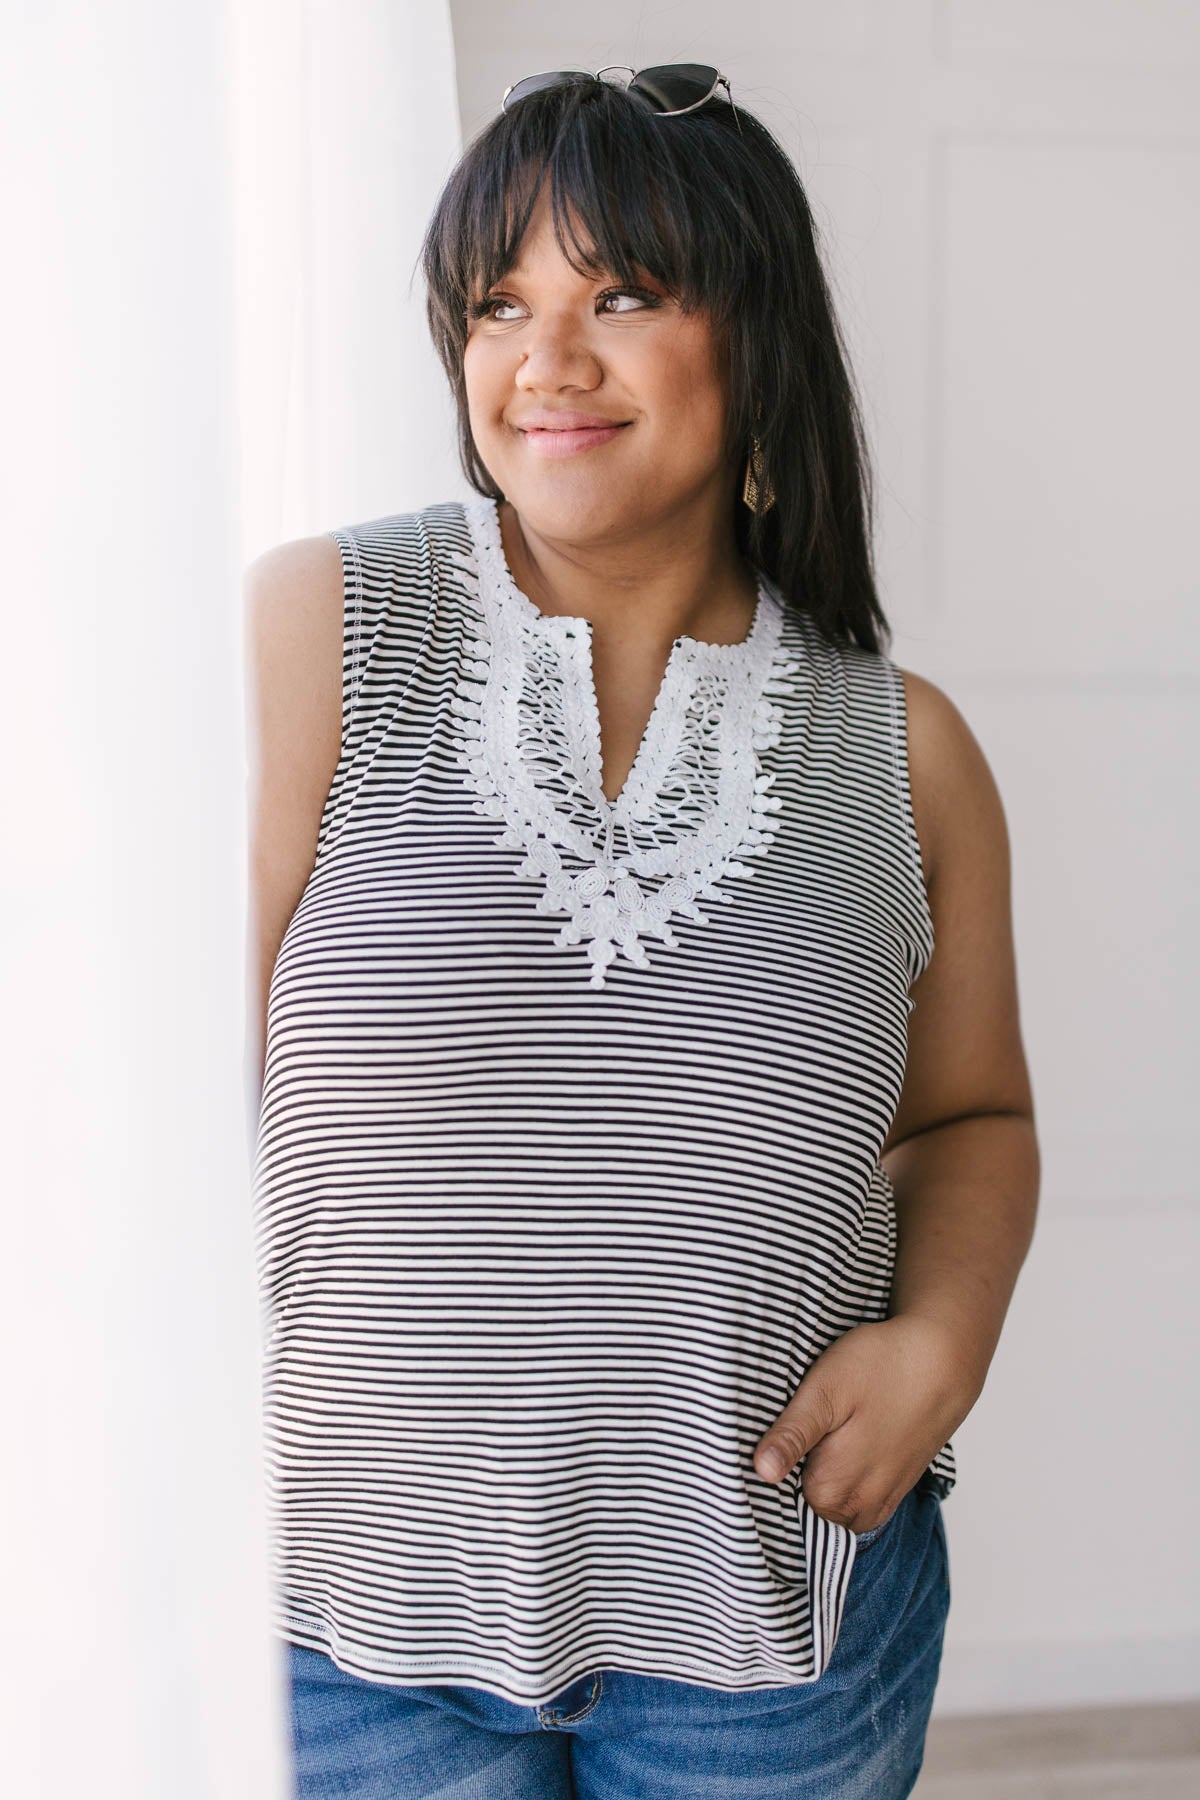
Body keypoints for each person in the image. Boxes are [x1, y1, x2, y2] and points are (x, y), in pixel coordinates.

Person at [244, 65, 1039, 1800]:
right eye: (498, 304)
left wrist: (943, 1345)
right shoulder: (320, 631)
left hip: (774, 1620)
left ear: (754, 338)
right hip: (344, 1622)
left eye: (622, 293)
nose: (548, 356)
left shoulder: (908, 750)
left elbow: (973, 1121)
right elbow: (147, 1092)